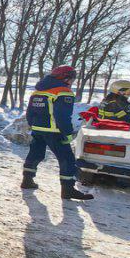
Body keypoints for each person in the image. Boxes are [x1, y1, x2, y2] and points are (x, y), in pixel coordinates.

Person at [22, 66, 94, 200]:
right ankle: (68, 190)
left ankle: (27, 180)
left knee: (35, 154)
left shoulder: (38, 92)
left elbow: (30, 112)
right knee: (67, 159)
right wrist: (67, 133)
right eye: (72, 78)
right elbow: (62, 115)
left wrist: (34, 125)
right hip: (55, 132)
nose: (72, 81)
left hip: (38, 130)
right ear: (66, 78)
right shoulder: (63, 92)